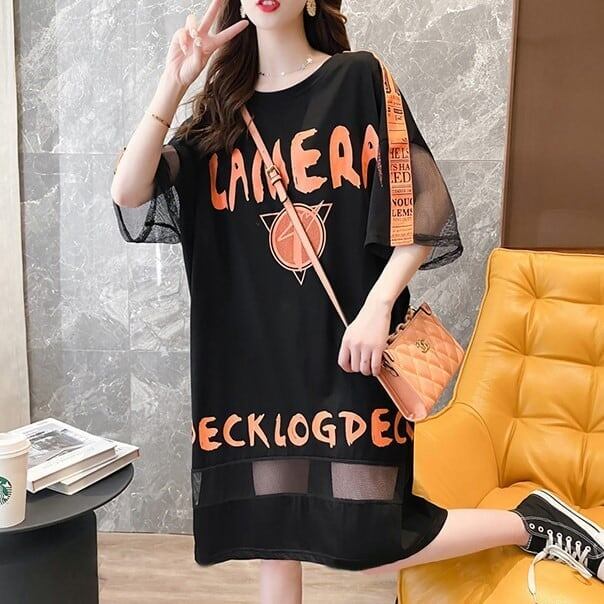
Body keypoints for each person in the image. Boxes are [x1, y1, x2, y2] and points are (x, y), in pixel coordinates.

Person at [110, 1, 604, 602]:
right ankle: (531, 523)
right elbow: (129, 193)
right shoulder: (220, 115)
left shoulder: (358, 79)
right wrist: (174, 80)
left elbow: (423, 210)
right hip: (253, 366)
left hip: (349, 355)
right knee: (273, 535)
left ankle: (529, 521)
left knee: (371, 539)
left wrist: (377, 307)